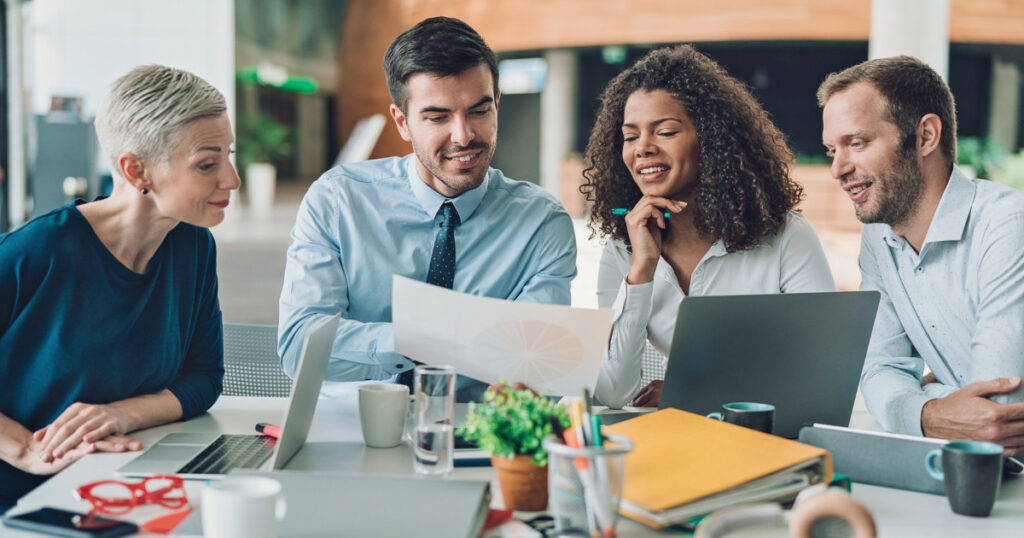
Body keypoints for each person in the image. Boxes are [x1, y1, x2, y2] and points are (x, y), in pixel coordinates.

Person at [278, 17, 577, 402]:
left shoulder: (541, 223)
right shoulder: (339, 201)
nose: (463, 135)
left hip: (479, 436)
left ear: (497, 104)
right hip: (357, 427)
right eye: (438, 117)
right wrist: (433, 337)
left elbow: (537, 366)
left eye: (479, 111)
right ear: (402, 122)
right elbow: (300, 346)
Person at [0, 65, 235, 510]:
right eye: (208, 164)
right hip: (21, 499)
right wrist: (25, 449)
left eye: (229, 155)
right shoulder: (37, 251)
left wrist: (119, 414)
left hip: (114, 484)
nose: (231, 180)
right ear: (135, 170)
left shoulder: (193, 246)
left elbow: (203, 378)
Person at [583, 45, 836, 409]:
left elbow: (823, 371)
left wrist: (693, 394)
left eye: (665, 131)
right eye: (630, 136)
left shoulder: (786, 238)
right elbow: (613, 391)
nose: (642, 148)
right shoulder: (624, 252)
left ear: (712, 140)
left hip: (767, 440)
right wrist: (642, 271)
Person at [819, 56, 1024, 453]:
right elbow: (878, 370)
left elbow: (997, 415)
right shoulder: (879, 239)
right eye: (832, 150)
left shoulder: (1007, 225)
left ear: (926, 136)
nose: (838, 168)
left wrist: (920, 396)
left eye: (856, 143)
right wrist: (931, 411)